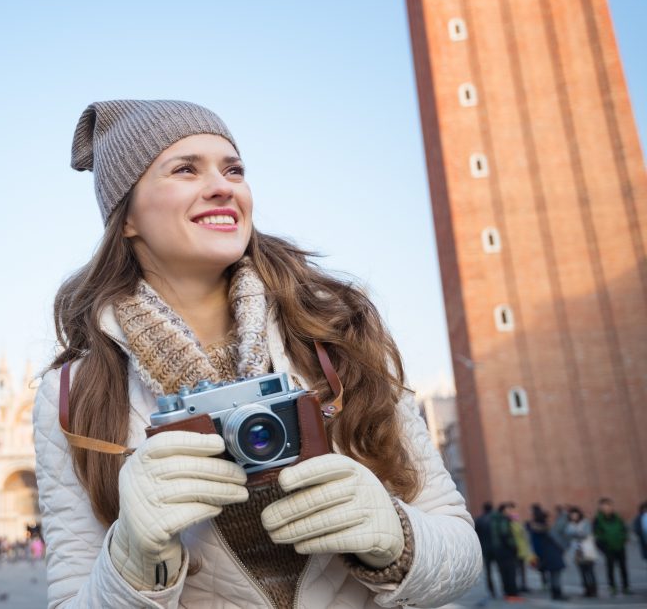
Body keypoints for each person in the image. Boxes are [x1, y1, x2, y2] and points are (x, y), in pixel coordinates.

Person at [33, 100, 483, 607]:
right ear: (127, 217)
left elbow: (463, 553)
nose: (224, 185)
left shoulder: (337, 333)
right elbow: (71, 597)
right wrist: (134, 559)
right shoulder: (75, 393)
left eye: (234, 169)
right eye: (185, 169)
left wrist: (396, 537)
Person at [526, 507, 566, 600]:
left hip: (547, 555)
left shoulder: (536, 531)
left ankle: (555, 592)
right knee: (555, 574)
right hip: (551, 554)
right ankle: (557, 593)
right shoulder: (545, 531)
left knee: (553, 574)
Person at [593, 497, 631, 595]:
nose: (607, 508)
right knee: (610, 568)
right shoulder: (598, 519)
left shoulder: (617, 517)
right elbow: (596, 534)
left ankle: (626, 586)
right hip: (608, 547)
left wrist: (624, 539)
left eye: (608, 505)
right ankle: (612, 586)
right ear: (601, 507)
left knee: (623, 567)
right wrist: (603, 546)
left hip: (619, 546)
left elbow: (623, 529)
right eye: (604, 506)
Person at [492, 503, 523, 601]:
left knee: (504, 572)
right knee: (510, 572)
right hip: (506, 550)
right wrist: (513, 547)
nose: (510, 512)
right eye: (508, 509)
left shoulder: (494, 519)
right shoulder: (504, 520)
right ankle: (513, 594)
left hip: (498, 550)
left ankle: (507, 593)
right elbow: (505, 534)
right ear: (503, 510)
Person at [565, 507, 598, 598]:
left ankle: (593, 590)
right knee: (582, 571)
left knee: (590, 571)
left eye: (575, 514)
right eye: (572, 515)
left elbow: (585, 534)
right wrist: (577, 533)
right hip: (577, 551)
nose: (574, 516)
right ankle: (586, 589)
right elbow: (567, 534)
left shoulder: (585, 523)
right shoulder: (569, 525)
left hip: (587, 550)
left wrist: (575, 534)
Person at [475, 502, 500, 598]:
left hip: (485, 548)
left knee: (489, 571)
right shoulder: (496, 519)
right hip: (497, 548)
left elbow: (476, 535)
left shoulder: (479, 520)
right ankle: (503, 589)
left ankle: (492, 591)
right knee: (501, 569)